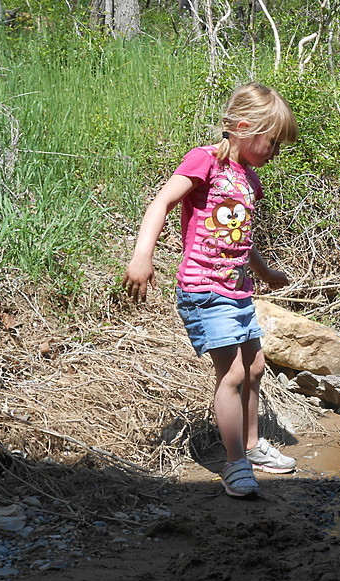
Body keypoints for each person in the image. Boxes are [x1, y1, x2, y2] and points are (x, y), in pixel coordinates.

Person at [123, 83, 298, 497]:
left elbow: (240, 238)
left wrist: (265, 270)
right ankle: (234, 462)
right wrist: (141, 256)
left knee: (254, 368)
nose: (274, 151)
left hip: (238, 290)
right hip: (204, 288)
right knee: (233, 373)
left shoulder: (248, 179)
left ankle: (252, 448)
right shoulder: (206, 161)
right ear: (242, 127)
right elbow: (160, 204)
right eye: (271, 142)